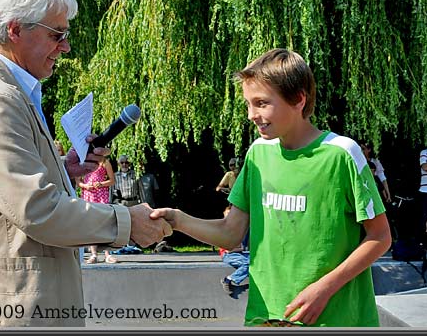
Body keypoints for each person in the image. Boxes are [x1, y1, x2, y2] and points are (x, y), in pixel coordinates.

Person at [0, 0, 171, 327]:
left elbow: (2, 193)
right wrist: (126, 221)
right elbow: (36, 210)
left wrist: (62, 170)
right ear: (15, 29)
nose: (65, 46)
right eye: (57, 34)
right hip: (10, 308)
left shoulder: (1, 91)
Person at [151, 48, 391, 327]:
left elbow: (380, 237)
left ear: (299, 99)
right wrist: (178, 220)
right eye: (248, 104)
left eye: (262, 103)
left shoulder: (341, 154)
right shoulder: (258, 154)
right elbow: (231, 234)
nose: (252, 114)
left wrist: (324, 288)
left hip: (335, 319)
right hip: (266, 316)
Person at [78, 158, 118, 264]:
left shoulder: (104, 162)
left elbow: (112, 180)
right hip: (88, 195)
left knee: (105, 223)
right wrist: (86, 186)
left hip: (101, 195)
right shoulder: (82, 162)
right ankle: (94, 254)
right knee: (92, 224)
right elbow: (79, 182)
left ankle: (108, 254)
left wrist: (100, 184)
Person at [219, 206, 250, 293]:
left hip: (242, 253)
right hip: (228, 254)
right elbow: (227, 247)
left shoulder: (242, 227)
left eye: (231, 215)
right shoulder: (222, 228)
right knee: (248, 263)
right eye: (227, 215)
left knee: (259, 261)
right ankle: (228, 280)